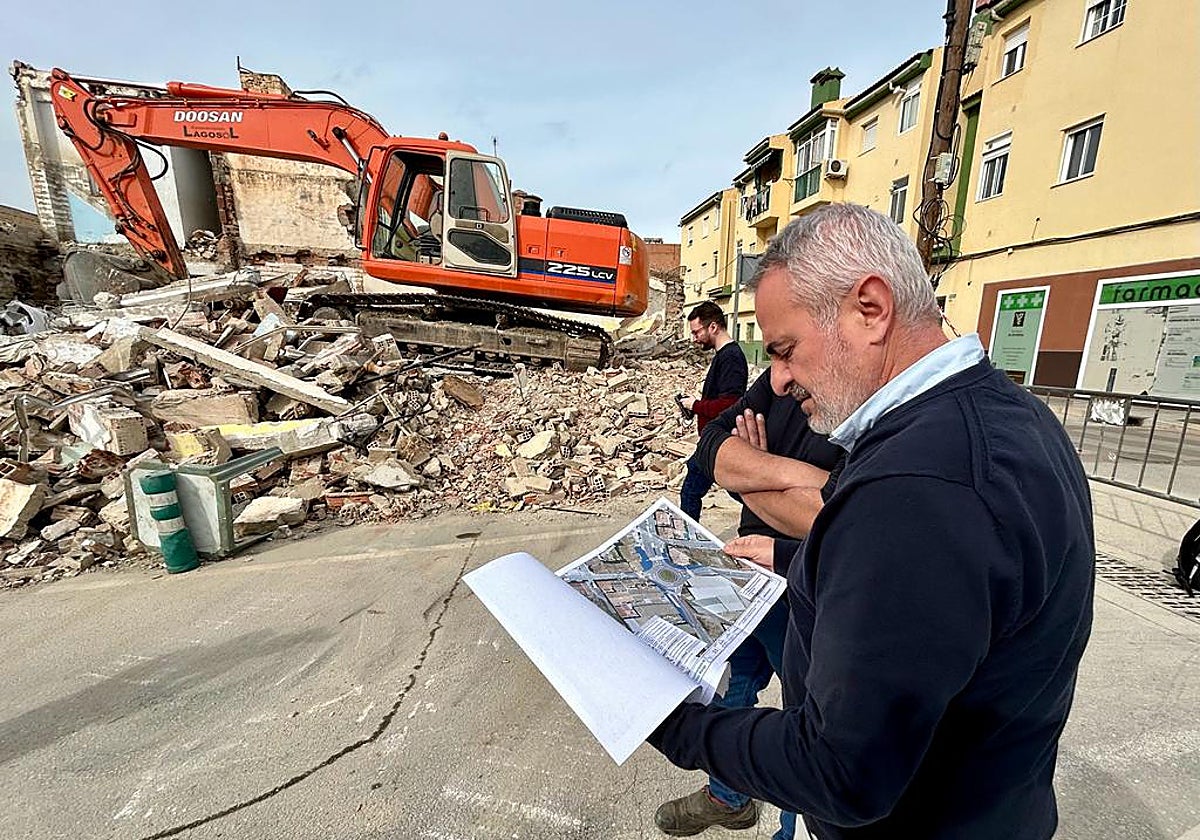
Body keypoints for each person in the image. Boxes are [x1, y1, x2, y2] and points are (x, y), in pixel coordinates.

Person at [649, 203, 1095, 839]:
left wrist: (665, 716)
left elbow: (840, 772)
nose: (776, 381)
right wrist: (801, 559)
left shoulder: (915, 487)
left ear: (871, 308)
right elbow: (953, 595)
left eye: (785, 349)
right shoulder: (1017, 416)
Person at [655, 364, 841, 839]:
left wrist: (747, 474)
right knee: (736, 678)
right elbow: (711, 446)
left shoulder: (857, 401)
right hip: (746, 569)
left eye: (786, 349)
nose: (777, 378)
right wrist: (790, 480)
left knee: (807, 722)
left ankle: (791, 827)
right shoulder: (783, 377)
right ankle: (730, 797)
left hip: (800, 576)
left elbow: (838, 516)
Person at [678, 302, 748, 522]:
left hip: (718, 440)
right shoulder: (723, 355)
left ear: (713, 327)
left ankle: (684, 542)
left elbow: (730, 403)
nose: (694, 338)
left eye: (697, 332)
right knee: (734, 490)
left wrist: (695, 405)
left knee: (691, 491)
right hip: (714, 438)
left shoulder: (731, 357)